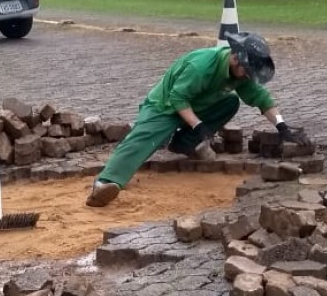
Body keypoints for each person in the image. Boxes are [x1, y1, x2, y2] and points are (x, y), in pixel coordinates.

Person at [86, 32, 305, 207]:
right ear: (235, 57)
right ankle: (105, 182)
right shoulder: (201, 66)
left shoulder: (240, 72)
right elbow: (178, 98)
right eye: (247, 72)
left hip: (199, 106)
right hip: (165, 107)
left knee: (230, 103)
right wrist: (198, 126)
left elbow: (261, 98)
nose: (249, 77)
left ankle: (183, 144)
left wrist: (282, 126)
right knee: (143, 140)